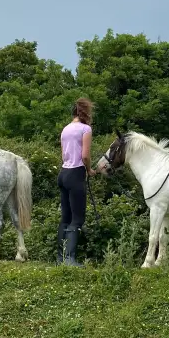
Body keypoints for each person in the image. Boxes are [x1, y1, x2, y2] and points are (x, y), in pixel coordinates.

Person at [56, 97, 95, 266]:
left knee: (65, 217)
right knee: (77, 218)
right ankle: (70, 259)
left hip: (63, 173)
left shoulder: (65, 129)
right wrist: (89, 170)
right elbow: (85, 155)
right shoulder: (85, 129)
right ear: (86, 112)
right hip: (76, 174)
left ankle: (60, 258)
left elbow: (64, 154)